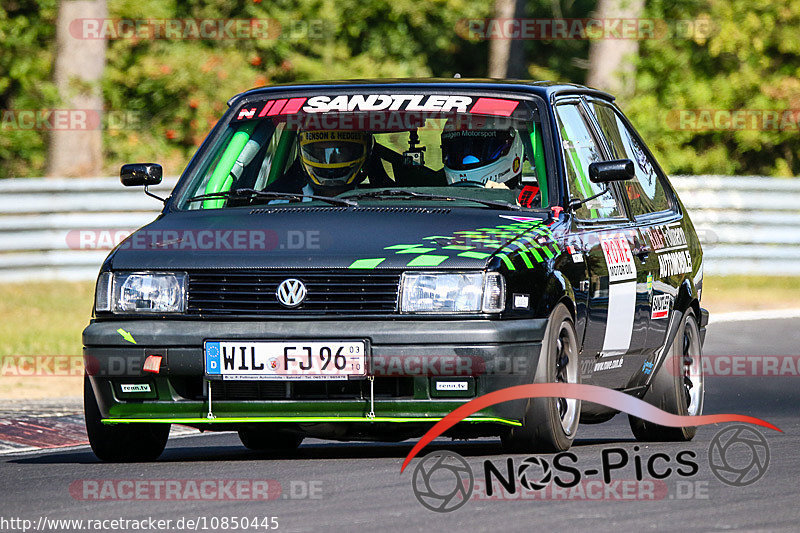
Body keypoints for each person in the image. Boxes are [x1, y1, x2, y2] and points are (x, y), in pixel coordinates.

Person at [440, 121, 525, 188]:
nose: (467, 159)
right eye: (458, 149)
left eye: (478, 148)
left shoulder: (529, 200)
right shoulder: (435, 192)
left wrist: (508, 200)